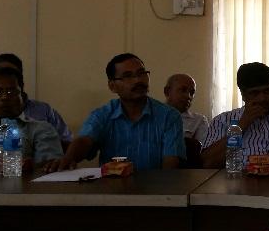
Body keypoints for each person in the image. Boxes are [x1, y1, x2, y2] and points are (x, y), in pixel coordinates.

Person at [45, 53, 185, 172]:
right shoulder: (102, 115)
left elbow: (170, 169)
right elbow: (84, 140)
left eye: (141, 73)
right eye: (128, 76)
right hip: (111, 190)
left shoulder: (169, 116)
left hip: (155, 190)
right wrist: (68, 158)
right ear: (112, 86)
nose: (138, 80)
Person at [0, 54, 73, 149]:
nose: (4, 97)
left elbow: (68, 145)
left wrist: (42, 141)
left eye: (10, 73)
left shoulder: (44, 112)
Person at [0, 66, 63, 172]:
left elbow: (52, 168)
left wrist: (32, 167)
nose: (5, 97)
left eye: (11, 91)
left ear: (22, 96)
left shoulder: (41, 129)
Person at [164, 74, 209, 145]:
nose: (188, 96)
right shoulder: (152, 115)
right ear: (167, 91)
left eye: (192, 93)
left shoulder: (199, 121)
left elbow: (205, 149)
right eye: (183, 90)